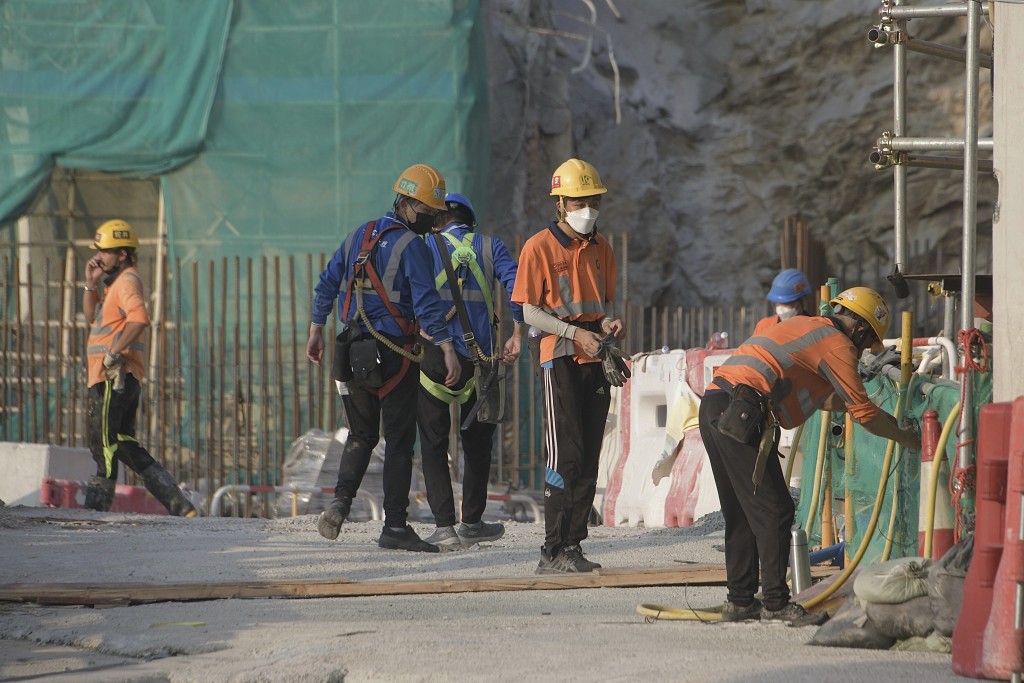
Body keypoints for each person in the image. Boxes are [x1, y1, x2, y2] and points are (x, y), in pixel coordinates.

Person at [699, 286, 921, 625]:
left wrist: (863, 404)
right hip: (743, 412)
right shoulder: (838, 343)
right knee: (776, 509)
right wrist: (905, 436)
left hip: (718, 404)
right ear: (860, 329)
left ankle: (741, 601)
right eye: (867, 343)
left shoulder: (808, 327)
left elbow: (831, 400)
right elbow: (861, 411)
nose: (863, 352)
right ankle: (775, 603)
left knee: (743, 512)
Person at [307, 163, 461, 553]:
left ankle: (340, 504)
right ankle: (394, 526)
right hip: (394, 356)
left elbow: (327, 281)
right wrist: (446, 348)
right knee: (398, 442)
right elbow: (427, 303)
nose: (430, 221)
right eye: (426, 213)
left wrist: (314, 329)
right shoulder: (414, 247)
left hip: (352, 351)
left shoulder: (361, 234)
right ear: (407, 203)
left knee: (360, 435)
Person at [511, 158, 626, 574]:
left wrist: (610, 322)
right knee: (565, 455)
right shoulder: (538, 247)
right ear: (561, 203)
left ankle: (573, 547)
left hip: (595, 354)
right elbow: (527, 312)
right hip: (559, 356)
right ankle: (551, 549)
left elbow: (606, 302)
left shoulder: (602, 248)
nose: (588, 208)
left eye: (593, 200)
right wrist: (575, 334)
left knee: (590, 456)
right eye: (580, 200)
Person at [417, 192, 525, 547]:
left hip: (436, 356)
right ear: (470, 221)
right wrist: (517, 333)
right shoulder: (491, 248)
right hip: (484, 362)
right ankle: (473, 523)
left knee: (433, 442)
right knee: (477, 445)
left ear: (437, 220)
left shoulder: (425, 246)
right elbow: (517, 290)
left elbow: (408, 294)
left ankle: (444, 527)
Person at [82, 220, 196, 517]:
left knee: (103, 444)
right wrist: (90, 283)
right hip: (114, 377)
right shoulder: (113, 285)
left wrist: (114, 352)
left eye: (105, 252)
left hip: (113, 377)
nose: (99, 256)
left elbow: (140, 317)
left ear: (122, 254)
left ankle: (96, 509)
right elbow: (89, 317)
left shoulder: (128, 280)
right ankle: (178, 503)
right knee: (123, 443)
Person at [752, 268, 811, 336]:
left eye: (787, 303)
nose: (781, 308)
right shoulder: (764, 326)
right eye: (778, 303)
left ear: (804, 300)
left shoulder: (814, 330)